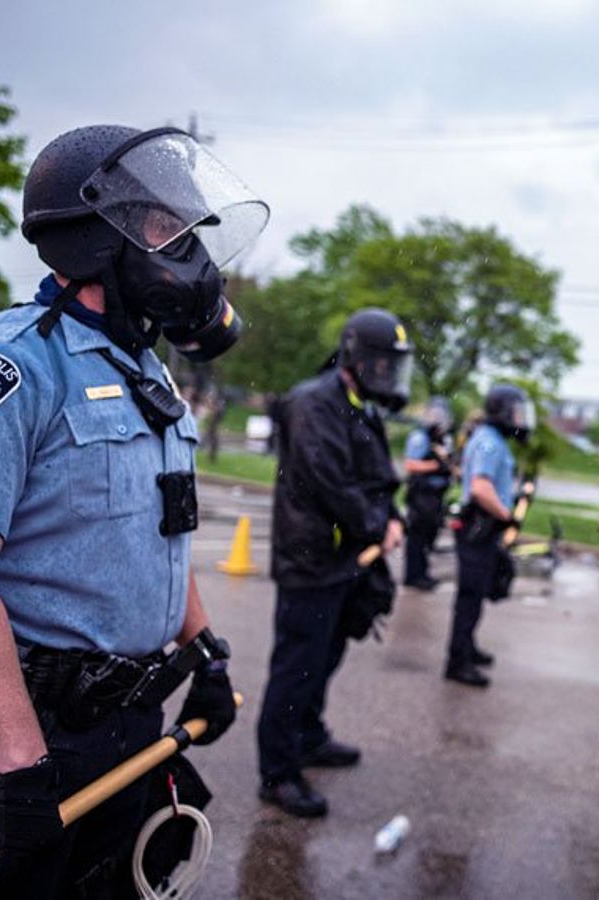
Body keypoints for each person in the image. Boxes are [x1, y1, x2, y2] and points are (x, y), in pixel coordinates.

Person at [0, 124, 262, 897]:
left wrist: (207, 650)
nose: (187, 248)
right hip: (21, 732)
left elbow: (167, 530)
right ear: (93, 236)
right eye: (165, 226)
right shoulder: (2, 367)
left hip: (128, 727)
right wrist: (19, 770)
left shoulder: (145, 372)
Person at [257, 308, 410, 818]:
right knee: (297, 665)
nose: (389, 376)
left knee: (326, 657)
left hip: (345, 560)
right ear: (357, 359)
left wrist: (392, 517)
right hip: (310, 560)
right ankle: (278, 772)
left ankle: (309, 734)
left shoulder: (359, 405)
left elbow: (377, 478)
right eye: (383, 364)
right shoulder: (312, 403)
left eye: (395, 366)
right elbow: (329, 483)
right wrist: (375, 523)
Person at [445, 383, 534, 688]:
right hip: (478, 526)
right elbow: (481, 489)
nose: (520, 421)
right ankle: (458, 661)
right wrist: (507, 516)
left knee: (477, 591)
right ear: (501, 412)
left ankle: (467, 647)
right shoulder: (489, 443)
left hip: (483, 528)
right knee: (470, 595)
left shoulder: (491, 439)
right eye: (516, 414)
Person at [403, 396, 454, 590]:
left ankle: (422, 572)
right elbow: (411, 464)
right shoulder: (420, 437)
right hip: (421, 496)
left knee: (428, 536)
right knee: (417, 536)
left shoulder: (440, 439)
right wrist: (436, 465)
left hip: (435, 496)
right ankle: (413, 575)